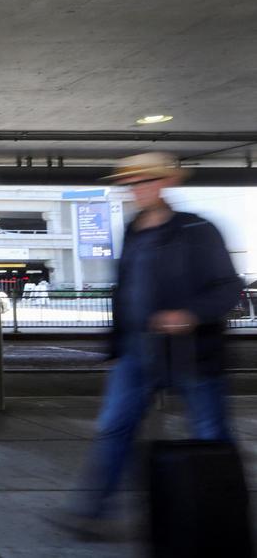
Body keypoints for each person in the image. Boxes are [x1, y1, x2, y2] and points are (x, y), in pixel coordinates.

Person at [55, 152, 242, 538]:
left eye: (145, 181)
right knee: (114, 428)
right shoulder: (133, 230)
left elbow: (228, 288)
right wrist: (116, 349)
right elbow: (125, 293)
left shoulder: (197, 230)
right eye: (131, 183)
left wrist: (189, 314)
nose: (136, 189)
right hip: (137, 354)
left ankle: (222, 516)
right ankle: (93, 511)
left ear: (167, 183)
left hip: (193, 354)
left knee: (210, 433)